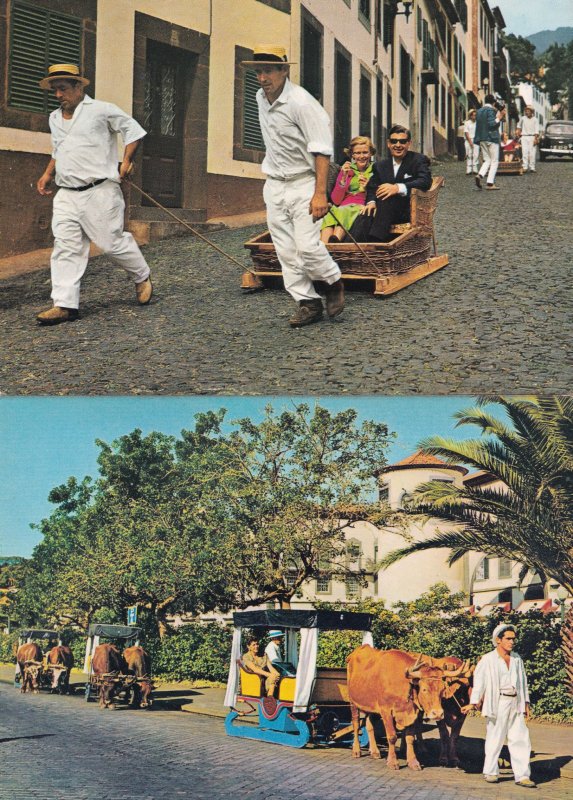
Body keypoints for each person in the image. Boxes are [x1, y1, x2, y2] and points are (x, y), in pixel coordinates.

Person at [35, 63, 152, 326]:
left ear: (79, 87)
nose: (58, 95)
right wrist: (47, 174)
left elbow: (133, 131)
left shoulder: (101, 110)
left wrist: (126, 160)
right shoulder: (55, 118)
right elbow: (59, 150)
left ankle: (142, 275)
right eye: (55, 91)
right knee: (66, 246)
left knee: (111, 243)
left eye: (63, 89)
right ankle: (64, 305)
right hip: (66, 194)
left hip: (99, 191)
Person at [242, 45, 344, 328]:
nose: (263, 78)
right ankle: (308, 302)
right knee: (285, 250)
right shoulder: (260, 99)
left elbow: (322, 150)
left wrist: (320, 193)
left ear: (284, 70)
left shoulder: (302, 103)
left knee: (308, 247)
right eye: (259, 71)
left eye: (269, 71)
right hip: (275, 184)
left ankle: (333, 281)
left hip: (304, 183)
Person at [461, 623, 536, 788]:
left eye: (513, 639)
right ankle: (491, 772)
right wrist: (473, 703)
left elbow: (523, 683)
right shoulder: (488, 660)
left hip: (516, 702)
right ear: (498, 640)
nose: (512, 642)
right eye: (508, 639)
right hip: (498, 702)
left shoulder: (517, 659)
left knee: (520, 738)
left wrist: (526, 703)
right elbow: (479, 682)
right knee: (495, 737)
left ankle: (522, 775)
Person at [359, 125, 432, 242]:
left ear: (409, 144)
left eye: (402, 141)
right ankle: (350, 243)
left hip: (408, 211)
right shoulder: (380, 165)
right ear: (388, 143)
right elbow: (372, 186)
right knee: (366, 210)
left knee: (387, 198)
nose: (398, 145)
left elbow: (425, 181)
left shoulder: (418, 160)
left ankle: (374, 242)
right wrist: (371, 202)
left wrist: (398, 188)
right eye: (394, 141)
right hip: (382, 212)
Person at [320, 136, 375, 243]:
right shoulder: (346, 170)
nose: (361, 156)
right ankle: (323, 247)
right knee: (331, 212)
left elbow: (376, 194)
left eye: (365, 152)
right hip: (343, 206)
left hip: (361, 207)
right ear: (352, 155)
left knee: (345, 210)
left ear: (371, 153)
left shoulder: (376, 170)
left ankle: (336, 243)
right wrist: (344, 177)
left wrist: (368, 186)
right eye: (357, 153)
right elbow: (336, 200)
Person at [474, 94, 506, 191]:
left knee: (487, 160)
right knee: (494, 161)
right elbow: (492, 124)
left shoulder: (479, 111)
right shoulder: (491, 111)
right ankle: (490, 183)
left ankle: (480, 175)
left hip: (482, 138)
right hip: (491, 137)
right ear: (493, 102)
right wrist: (499, 117)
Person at [516, 106, 540, 173]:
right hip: (524, 137)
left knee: (532, 153)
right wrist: (518, 132)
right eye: (526, 111)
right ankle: (525, 167)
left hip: (532, 137)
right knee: (524, 152)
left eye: (528, 111)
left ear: (532, 112)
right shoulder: (523, 118)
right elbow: (518, 126)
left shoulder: (535, 119)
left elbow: (536, 130)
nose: (527, 112)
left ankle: (532, 167)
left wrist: (536, 139)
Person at [464, 110, 480, 175]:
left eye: (475, 115)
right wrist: (470, 141)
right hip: (468, 140)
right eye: (473, 115)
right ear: (470, 116)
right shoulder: (467, 123)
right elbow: (466, 132)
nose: (474, 116)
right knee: (469, 154)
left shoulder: (478, 123)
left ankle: (475, 167)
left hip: (476, 139)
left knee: (476, 154)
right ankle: (469, 168)